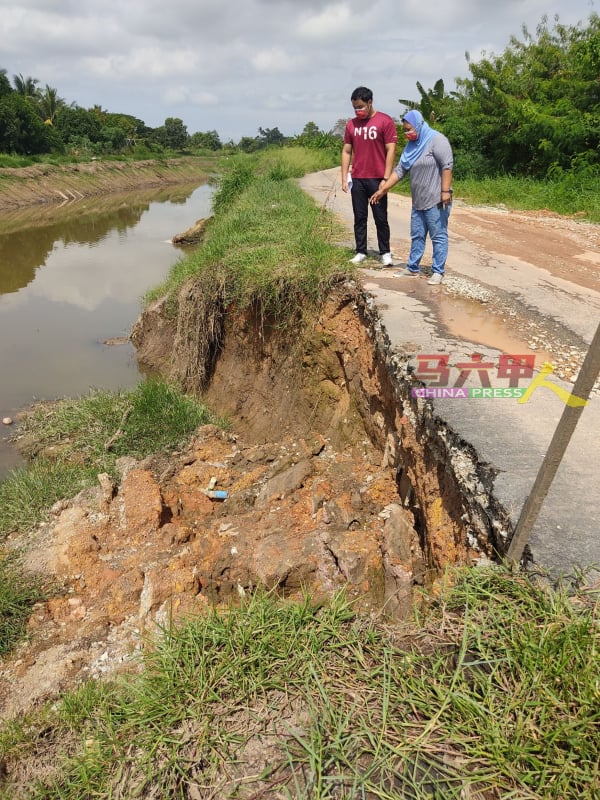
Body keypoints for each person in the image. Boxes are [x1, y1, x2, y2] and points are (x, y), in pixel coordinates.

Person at [370, 109, 453, 285]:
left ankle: (438, 271)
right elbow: (400, 170)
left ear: (419, 125)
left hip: (436, 199)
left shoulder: (436, 140)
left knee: (438, 236)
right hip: (418, 200)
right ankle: (412, 268)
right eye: (405, 130)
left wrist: (445, 192)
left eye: (409, 129)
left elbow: (447, 165)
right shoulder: (411, 147)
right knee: (417, 235)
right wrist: (383, 190)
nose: (407, 133)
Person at [341, 86, 398, 267]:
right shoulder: (351, 124)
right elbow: (346, 151)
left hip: (377, 178)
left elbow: (391, 149)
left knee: (380, 217)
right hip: (357, 178)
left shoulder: (385, 121)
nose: (358, 111)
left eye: (360, 107)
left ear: (370, 102)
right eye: (355, 108)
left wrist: (386, 178)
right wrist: (344, 177)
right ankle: (361, 251)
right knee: (359, 216)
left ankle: (385, 252)